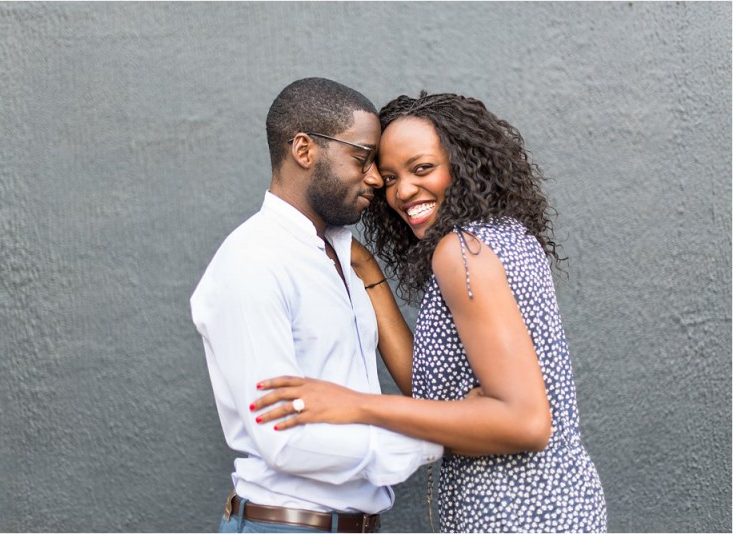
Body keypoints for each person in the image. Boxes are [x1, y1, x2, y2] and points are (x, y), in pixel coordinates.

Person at [252, 92, 608, 532]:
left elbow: (524, 422)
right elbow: (433, 394)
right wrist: (364, 267)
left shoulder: (461, 252)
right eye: (389, 177)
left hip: (515, 518)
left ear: (465, 162)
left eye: (422, 169)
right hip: (559, 506)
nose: (402, 191)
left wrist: (355, 406)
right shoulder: (505, 237)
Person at [190, 79, 442, 533]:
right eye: (362, 159)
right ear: (304, 150)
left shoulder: (342, 255)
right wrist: (442, 439)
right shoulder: (253, 263)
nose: (374, 178)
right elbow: (282, 439)